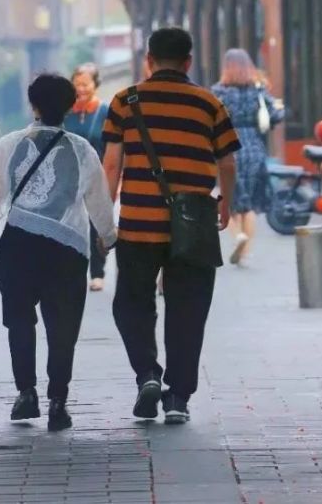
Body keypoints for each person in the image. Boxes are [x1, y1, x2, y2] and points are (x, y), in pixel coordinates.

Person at [0, 72, 117, 433]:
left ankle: (26, 393)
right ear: (71, 106)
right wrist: (107, 234)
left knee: (19, 321)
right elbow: (98, 199)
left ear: (34, 106)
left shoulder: (11, 144)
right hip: (67, 249)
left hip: (18, 246)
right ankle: (58, 401)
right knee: (63, 328)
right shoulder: (81, 149)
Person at [103, 27, 239, 426]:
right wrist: (225, 202)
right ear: (188, 62)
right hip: (193, 225)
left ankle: (147, 374)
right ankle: (178, 396)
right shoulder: (209, 104)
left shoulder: (124, 102)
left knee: (132, 303)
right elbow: (228, 163)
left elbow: (112, 165)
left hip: (138, 225)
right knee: (188, 310)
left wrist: (100, 216)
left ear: (148, 60)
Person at [211, 48, 285, 267]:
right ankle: (245, 252)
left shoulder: (218, 92)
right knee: (250, 203)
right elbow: (276, 115)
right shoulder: (258, 91)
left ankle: (238, 237)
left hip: (228, 148)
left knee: (230, 199)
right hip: (253, 147)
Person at [64, 62, 109, 291]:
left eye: (85, 84)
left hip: (97, 176)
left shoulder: (105, 111)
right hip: (69, 176)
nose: (81, 88)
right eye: (77, 84)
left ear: (96, 84)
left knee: (96, 224)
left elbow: (113, 147)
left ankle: (98, 272)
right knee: (71, 224)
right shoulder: (65, 111)